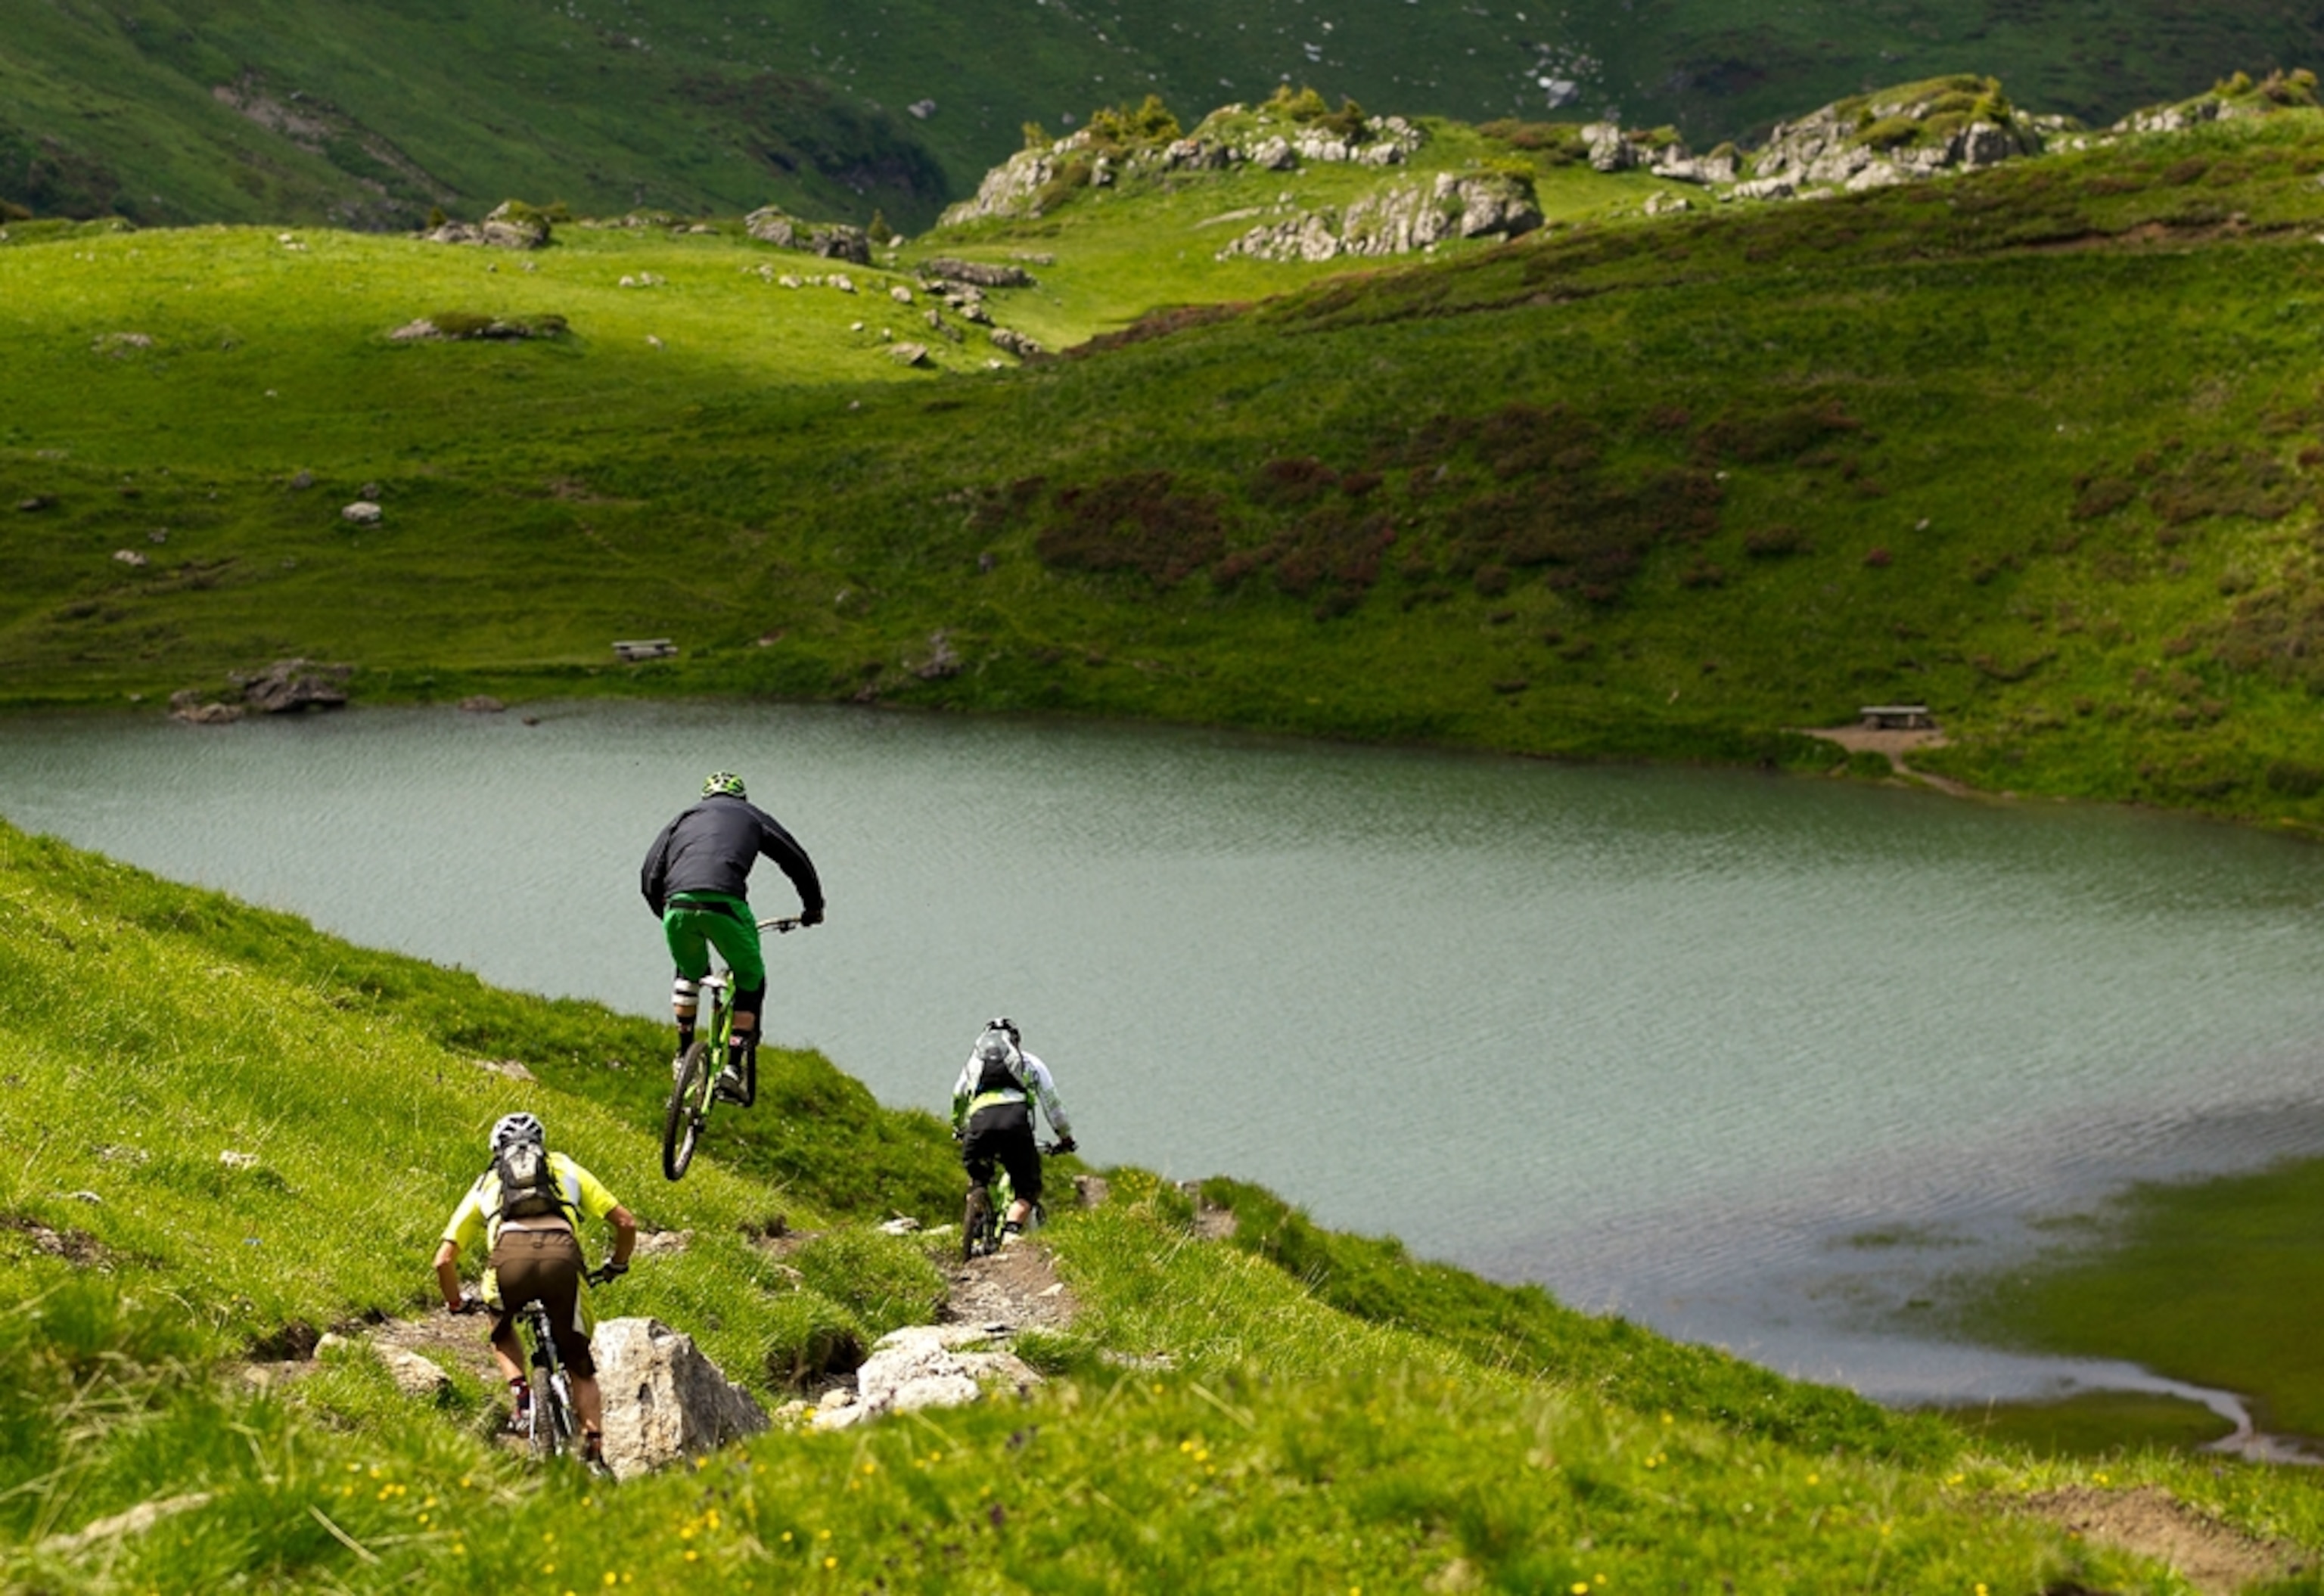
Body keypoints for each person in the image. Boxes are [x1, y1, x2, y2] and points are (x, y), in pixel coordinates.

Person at [433, 1112, 636, 1466]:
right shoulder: (566, 1168)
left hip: (508, 1261)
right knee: (579, 1363)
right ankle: (594, 1449)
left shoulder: (488, 1181)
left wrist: (455, 1302)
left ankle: (522, 1397)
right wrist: (618, 1263)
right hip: (562, 1260)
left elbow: (443, 1260)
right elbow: (626, 1222)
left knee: (500, 1324)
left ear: (497, 1150)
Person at [639, 771, 825, 1101]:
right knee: (750, 976)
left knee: (689, 972)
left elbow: (650, 871)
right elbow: (795, 860)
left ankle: (682, 1054)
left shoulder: (683, 818)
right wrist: (813, 907)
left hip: (677, 905)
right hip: (725, 904)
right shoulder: (751, 816)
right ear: (742, 798)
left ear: (705, 798)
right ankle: (733, 1068)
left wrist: (664, 912)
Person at [951, 1017, 1076, 1247]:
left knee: (977, 1179)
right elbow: (1052, 1104)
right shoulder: (1030, 1062)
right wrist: (1064, 1137)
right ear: (1016, 1041)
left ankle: (975, 1227)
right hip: (1015, 1124)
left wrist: (959, 1128)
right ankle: (1011, 1232)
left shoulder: (973, 1063)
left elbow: (958, 1096)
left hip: (979, 1123)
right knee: (1027, 1188)